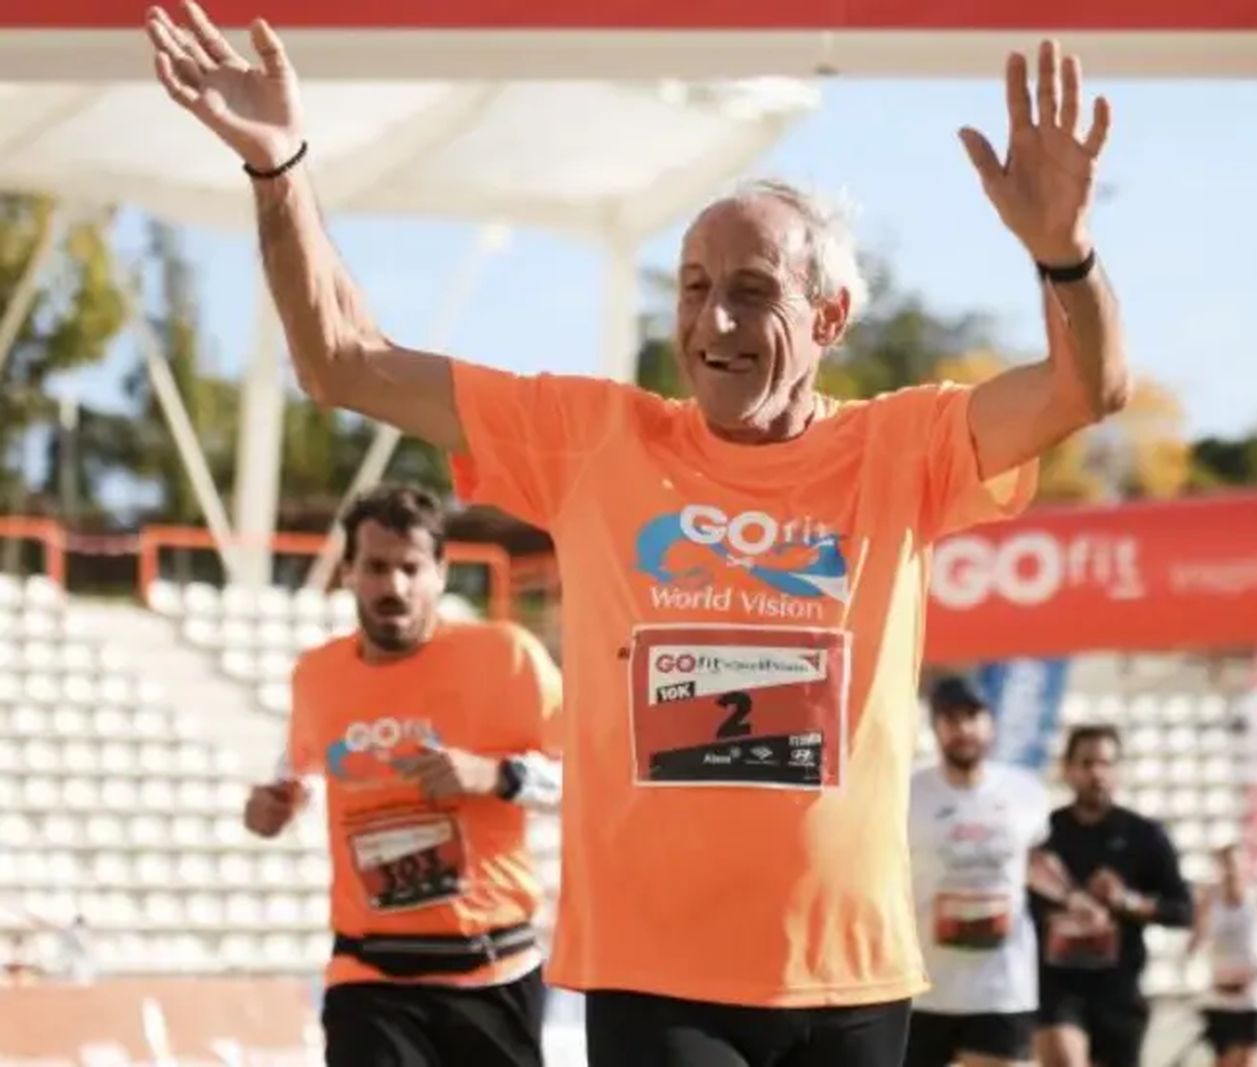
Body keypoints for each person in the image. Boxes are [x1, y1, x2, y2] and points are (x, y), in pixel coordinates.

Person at [144, 4, 1130, 1061]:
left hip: (849, 973)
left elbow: (1088, 387)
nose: (713, 323)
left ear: (829, 317)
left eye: (753, 292)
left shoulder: (905, 445)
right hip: (658, 977)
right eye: (694, 289)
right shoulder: (593, 438)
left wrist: (1064, 256)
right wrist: (279, 167)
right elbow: (342, 358)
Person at [242, 483, 564, 1067]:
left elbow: (588, 780)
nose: (394, 587)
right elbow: (300, 770)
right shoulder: (317, 675)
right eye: (376, 567)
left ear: (441, 573)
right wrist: (275, 806)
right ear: (347, 572)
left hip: (491, 970)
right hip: (369, 972)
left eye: (411, 568)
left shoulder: (507, 657)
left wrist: (499, 775)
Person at [905, 676, 1052, 1067]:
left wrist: (1074, 898)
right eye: (951, 719)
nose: (963, 729)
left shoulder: (1027, 793)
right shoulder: (908, 793)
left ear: (991, 722)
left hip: (1001, 988)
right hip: (924, 987)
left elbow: (1042, 866)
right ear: (936, 727)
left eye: (972, 716)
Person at [1028, 725, 1192, 1067]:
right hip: (1058, 984)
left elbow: (1182, 910)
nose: (1096, 774)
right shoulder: (1044, 833)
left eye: (1106, 763)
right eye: (1086, 763)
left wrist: (1126, 901)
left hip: (1119, 988)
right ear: (1067, 769)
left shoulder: (1144, 835)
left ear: (1120, 770)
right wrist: (1060, 908)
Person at [1184, 845, 1257, 1067]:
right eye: (1226, 865)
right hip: (1219, 991)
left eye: (1236, 864)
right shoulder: (1208, 900)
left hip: (1254, 992)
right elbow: (1195, 943)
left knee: (1248, 1056)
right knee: (1224, 1057)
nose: (1232, 871)